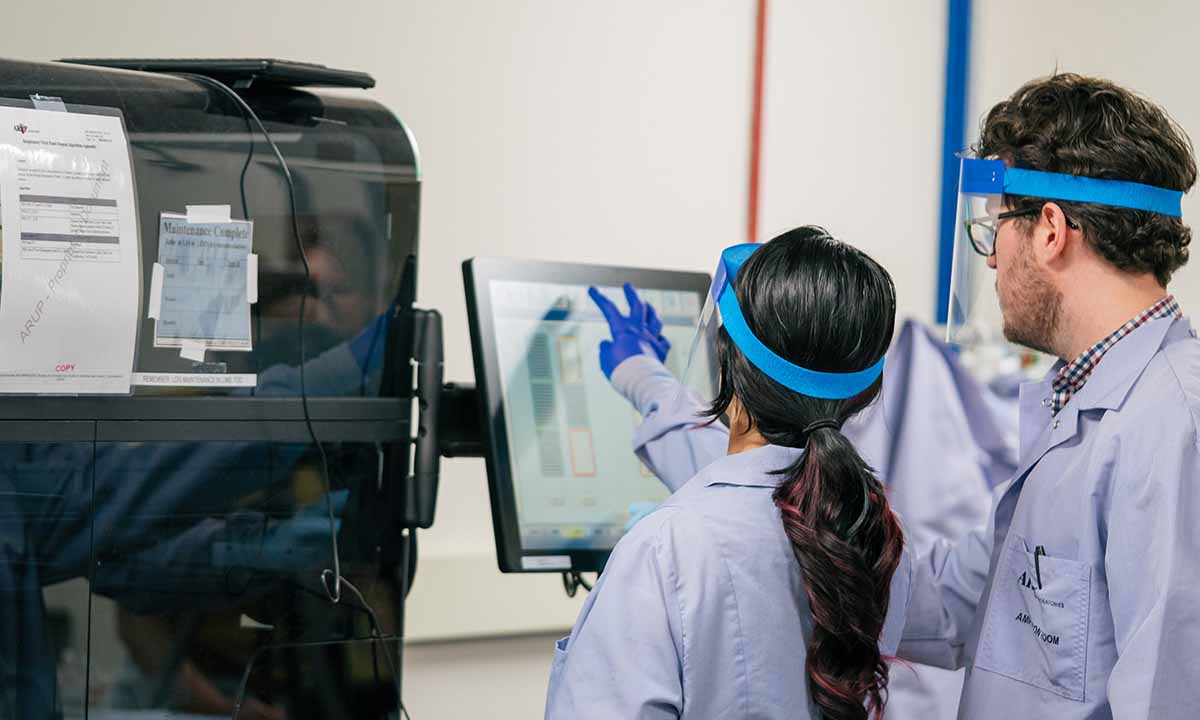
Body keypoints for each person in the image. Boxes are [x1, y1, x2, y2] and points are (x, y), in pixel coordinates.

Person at [545, 227, 911, 719]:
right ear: (862, 392)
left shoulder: (666, 549)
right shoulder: (871, 540)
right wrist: (638, 370)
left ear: (728, 368)